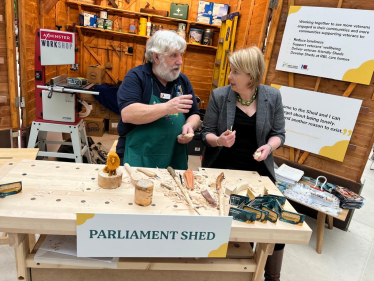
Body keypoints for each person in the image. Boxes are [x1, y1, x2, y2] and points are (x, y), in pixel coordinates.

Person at [201, 46, 286, 281]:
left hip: (258, 173)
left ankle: (268, 275)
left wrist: (269, 146)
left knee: (271, 227)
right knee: (224, 222)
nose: (229, 76)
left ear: (251, 75)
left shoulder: (272, 97)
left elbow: (279, 133)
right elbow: (205, 134)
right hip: (222, 169)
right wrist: (219, 140)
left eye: (235, 71)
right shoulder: (220, 95)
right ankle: (217, 268)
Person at [116, 30, 200, 169]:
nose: (180, 61)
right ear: (156, 57)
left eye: (181, 55)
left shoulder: (182, 81)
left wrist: (190, 126)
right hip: (139, 156)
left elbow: (194, 113)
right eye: (173, 56)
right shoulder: (137, 77)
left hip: (174, 156)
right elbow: (128, 114)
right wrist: (167, 107)